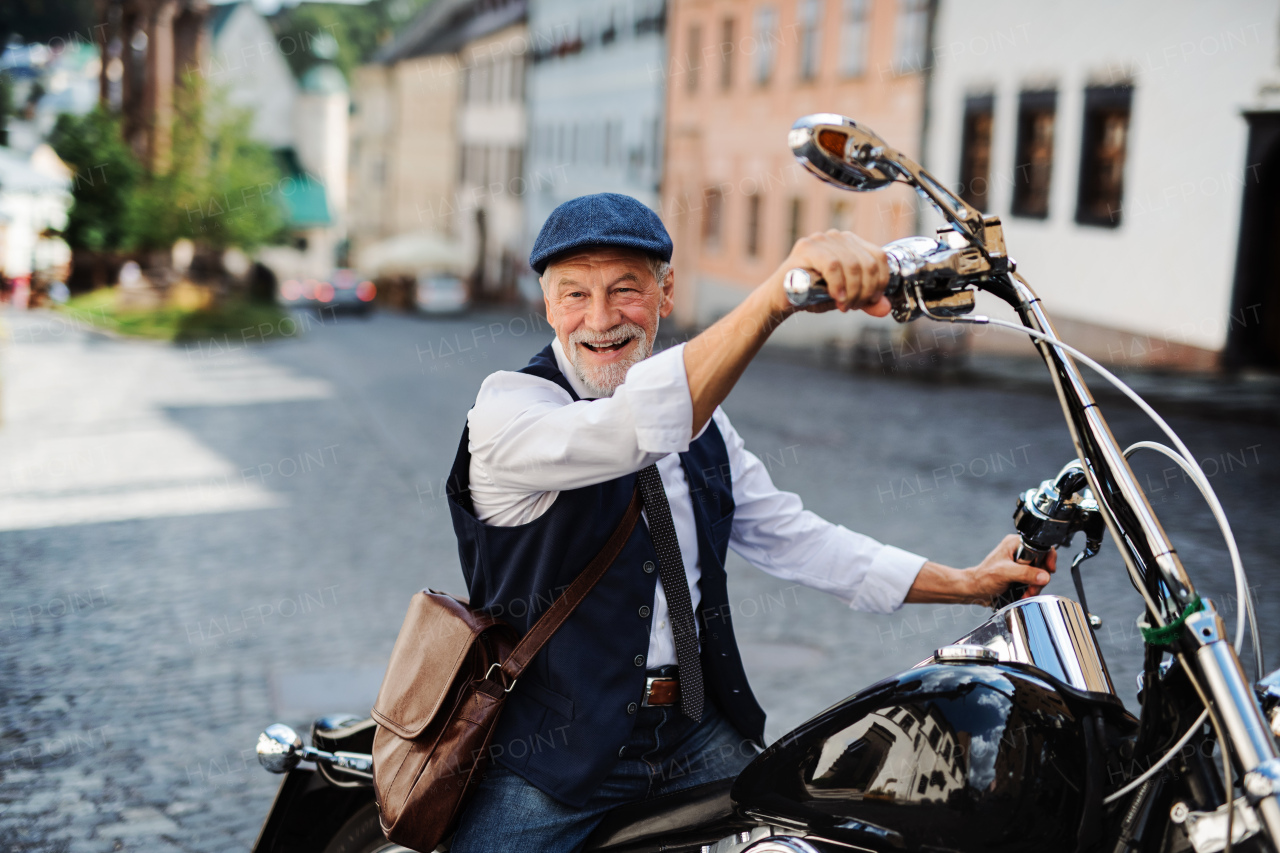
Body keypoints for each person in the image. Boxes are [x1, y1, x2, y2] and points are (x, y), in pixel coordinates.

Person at [446, 193, 1054, 852]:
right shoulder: (508, 412)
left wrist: (966, 581)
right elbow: (632, 428)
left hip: (695, 731)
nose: (600, 319)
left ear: (666, 291)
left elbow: (795, 537)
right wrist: (776, 295)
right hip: (556, 756)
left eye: (625, 290)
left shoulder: (706, 426)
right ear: (546, 305)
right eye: (574, 295)